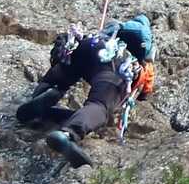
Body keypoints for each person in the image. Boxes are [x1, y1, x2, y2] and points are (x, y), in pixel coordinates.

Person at [16, 14, 156, 168]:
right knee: (99, 106)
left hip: (87, 46)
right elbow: (145, 92)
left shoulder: (110, 35)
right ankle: (69, 133)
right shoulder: (139, 62)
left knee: (65, 72)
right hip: (116, 66)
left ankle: (43, 94)